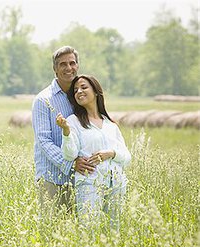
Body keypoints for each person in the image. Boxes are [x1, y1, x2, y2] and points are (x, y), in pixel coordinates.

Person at [56, 74, 131, 228]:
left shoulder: (110, 124)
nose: (79, 92)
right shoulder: (73, 121)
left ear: (96, 91)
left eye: (84, 87)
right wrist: (66, 132)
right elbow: (69, 155)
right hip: (89, 184)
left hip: (116, 185)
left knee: (114, 231)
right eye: (76, 90)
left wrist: (111, 153)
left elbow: (127, 158)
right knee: (89, 230)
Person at [32, 46, 95, 213]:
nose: (69, 68)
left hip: (82, 178)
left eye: (72, 63)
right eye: (63, 64)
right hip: (52, 178)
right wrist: (71, 163)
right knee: (53, 230)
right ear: (55, 69)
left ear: (77, 66)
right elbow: (43, 141)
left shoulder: (81, 96)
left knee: (77, 229)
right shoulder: (43, 100)